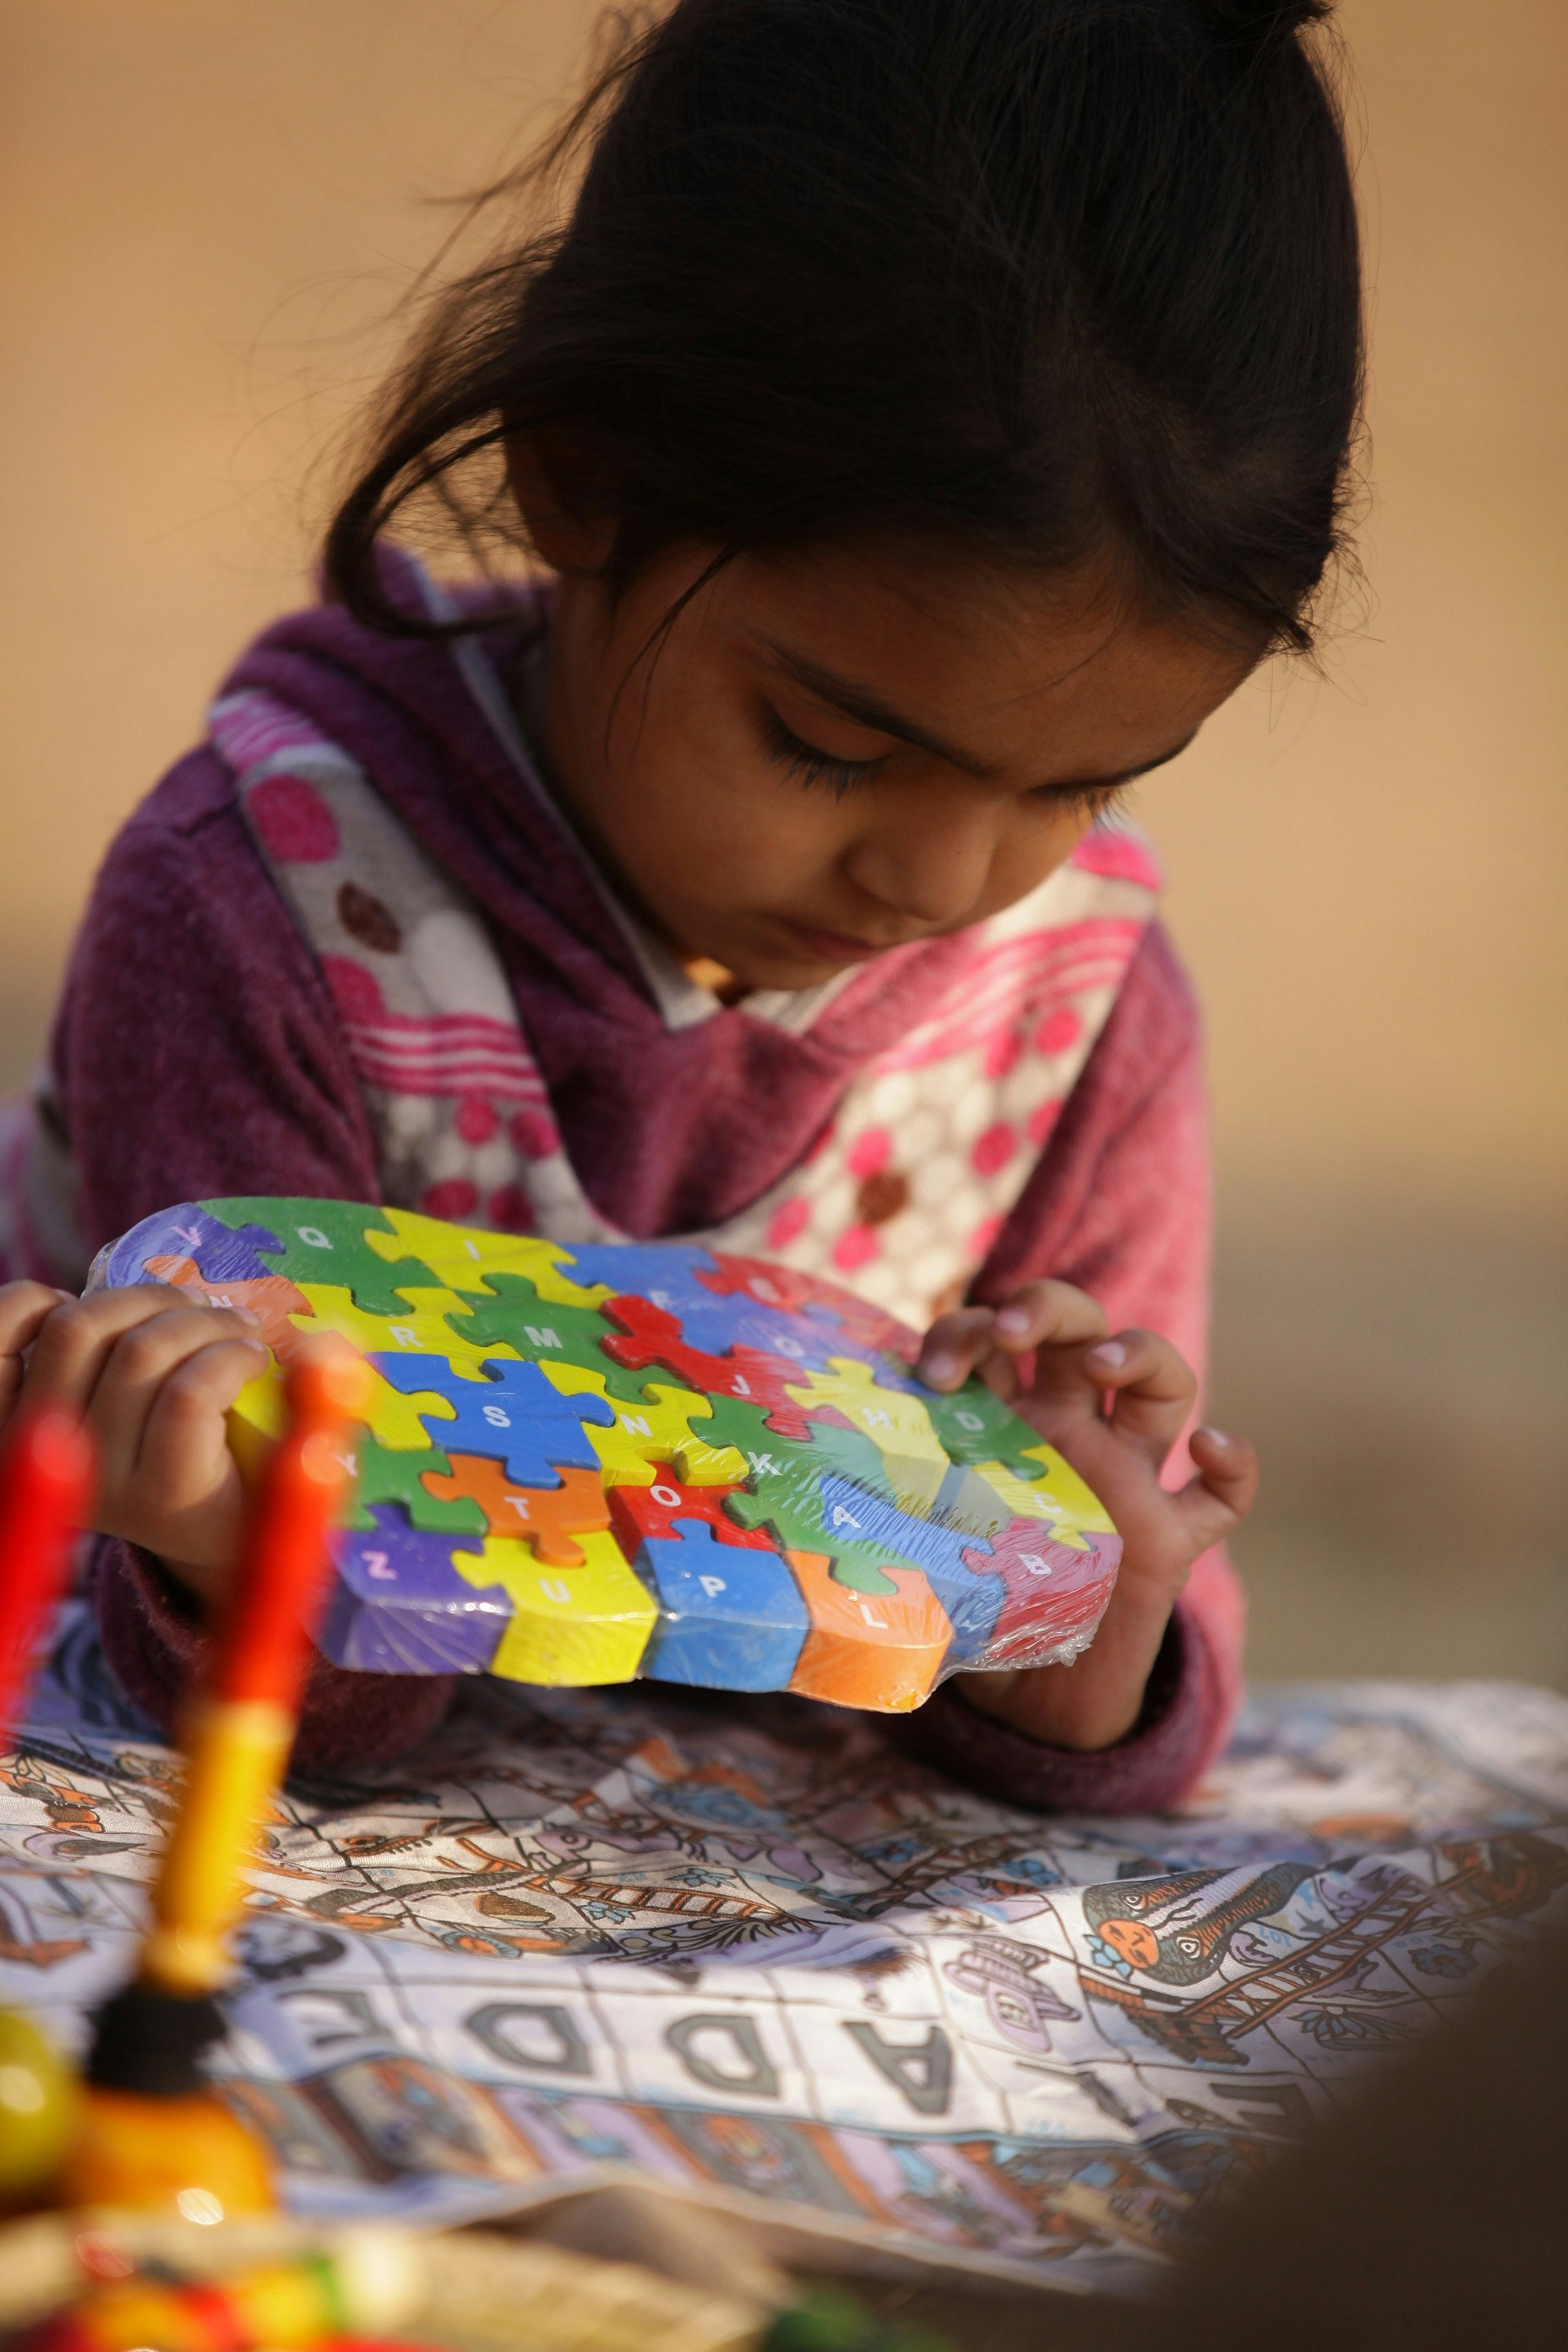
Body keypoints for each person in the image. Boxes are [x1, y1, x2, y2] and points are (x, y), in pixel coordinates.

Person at [0, 0, 1361, 1792]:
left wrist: (1076, 1619)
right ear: (582, 473)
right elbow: (281, 1728)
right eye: (826, 744)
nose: (944, 882)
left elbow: (1103, 1745)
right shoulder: (275, 908)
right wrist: (231, 1549)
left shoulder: (1076, 1008)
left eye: (1079, 783)